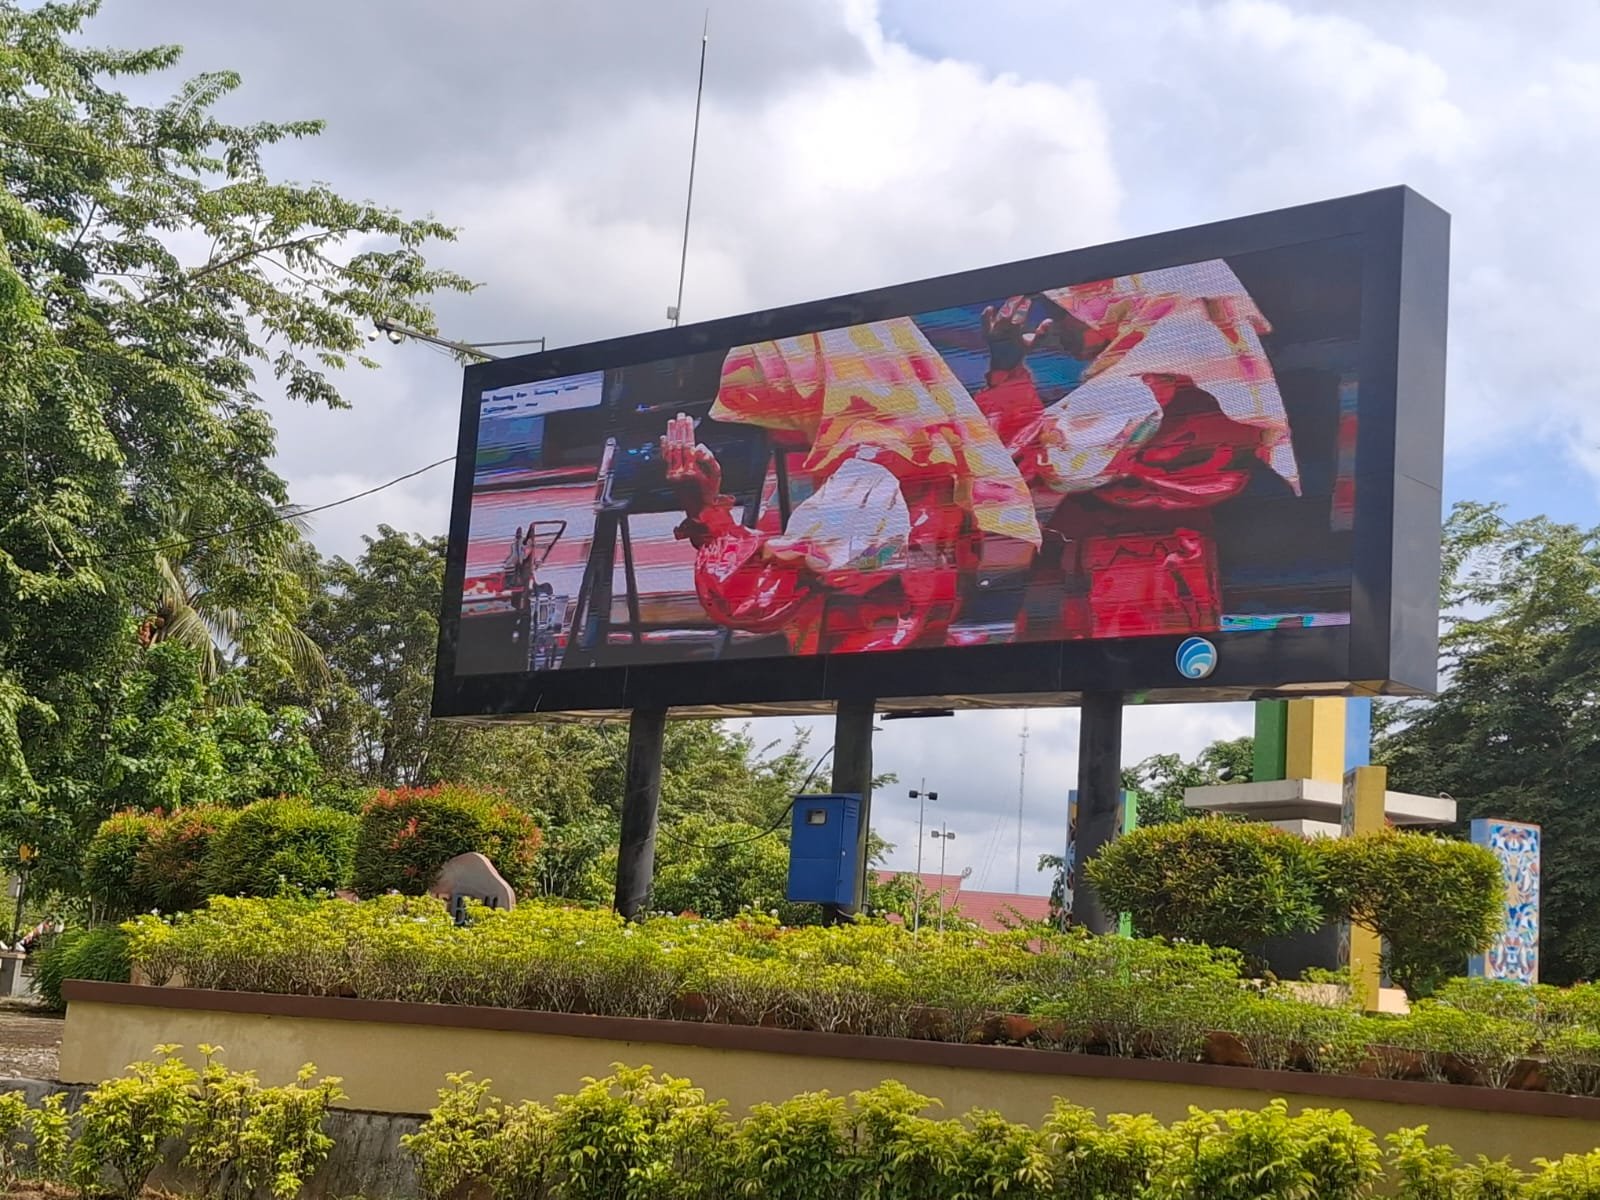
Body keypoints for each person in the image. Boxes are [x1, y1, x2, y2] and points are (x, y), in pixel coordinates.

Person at [663, 317, 1040, 654]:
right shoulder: (924, 453)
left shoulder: (867, 478)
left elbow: (757, 598)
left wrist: (707, 514)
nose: (775, 424)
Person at [972, 260, 1301, 640]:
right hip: (1163, 568)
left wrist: (1007, 370)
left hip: (1127, 576)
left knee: (1106, 675)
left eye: (1067, 314)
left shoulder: (1137, 391)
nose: (1055, 327)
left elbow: (1023, 467)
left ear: (1127, 307)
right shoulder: (1198, 384)